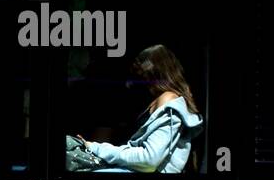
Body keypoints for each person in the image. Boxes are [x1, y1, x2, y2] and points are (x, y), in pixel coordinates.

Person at [74, 44, 202, 173]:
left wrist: (98, 148)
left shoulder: (168, 101)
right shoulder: (156, 100)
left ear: (153, 71)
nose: (133, 80)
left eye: (138, 72)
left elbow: (149, 159)